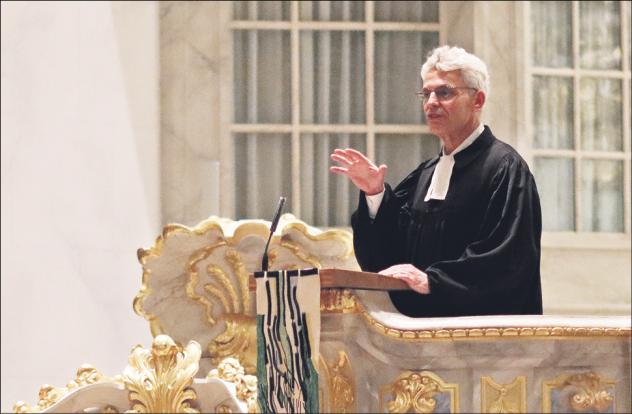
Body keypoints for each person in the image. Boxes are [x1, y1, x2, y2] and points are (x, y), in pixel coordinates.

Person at [329, 45, 543, 317]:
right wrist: (375, 193)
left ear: (477, 101)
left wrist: (434, 281)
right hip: (417, 338)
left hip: (483, 340)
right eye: (426, 93)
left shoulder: (505, 169)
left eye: (444, 92)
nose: (431, 102)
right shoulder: (425, 175)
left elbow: (508, 258)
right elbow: (387, 261)